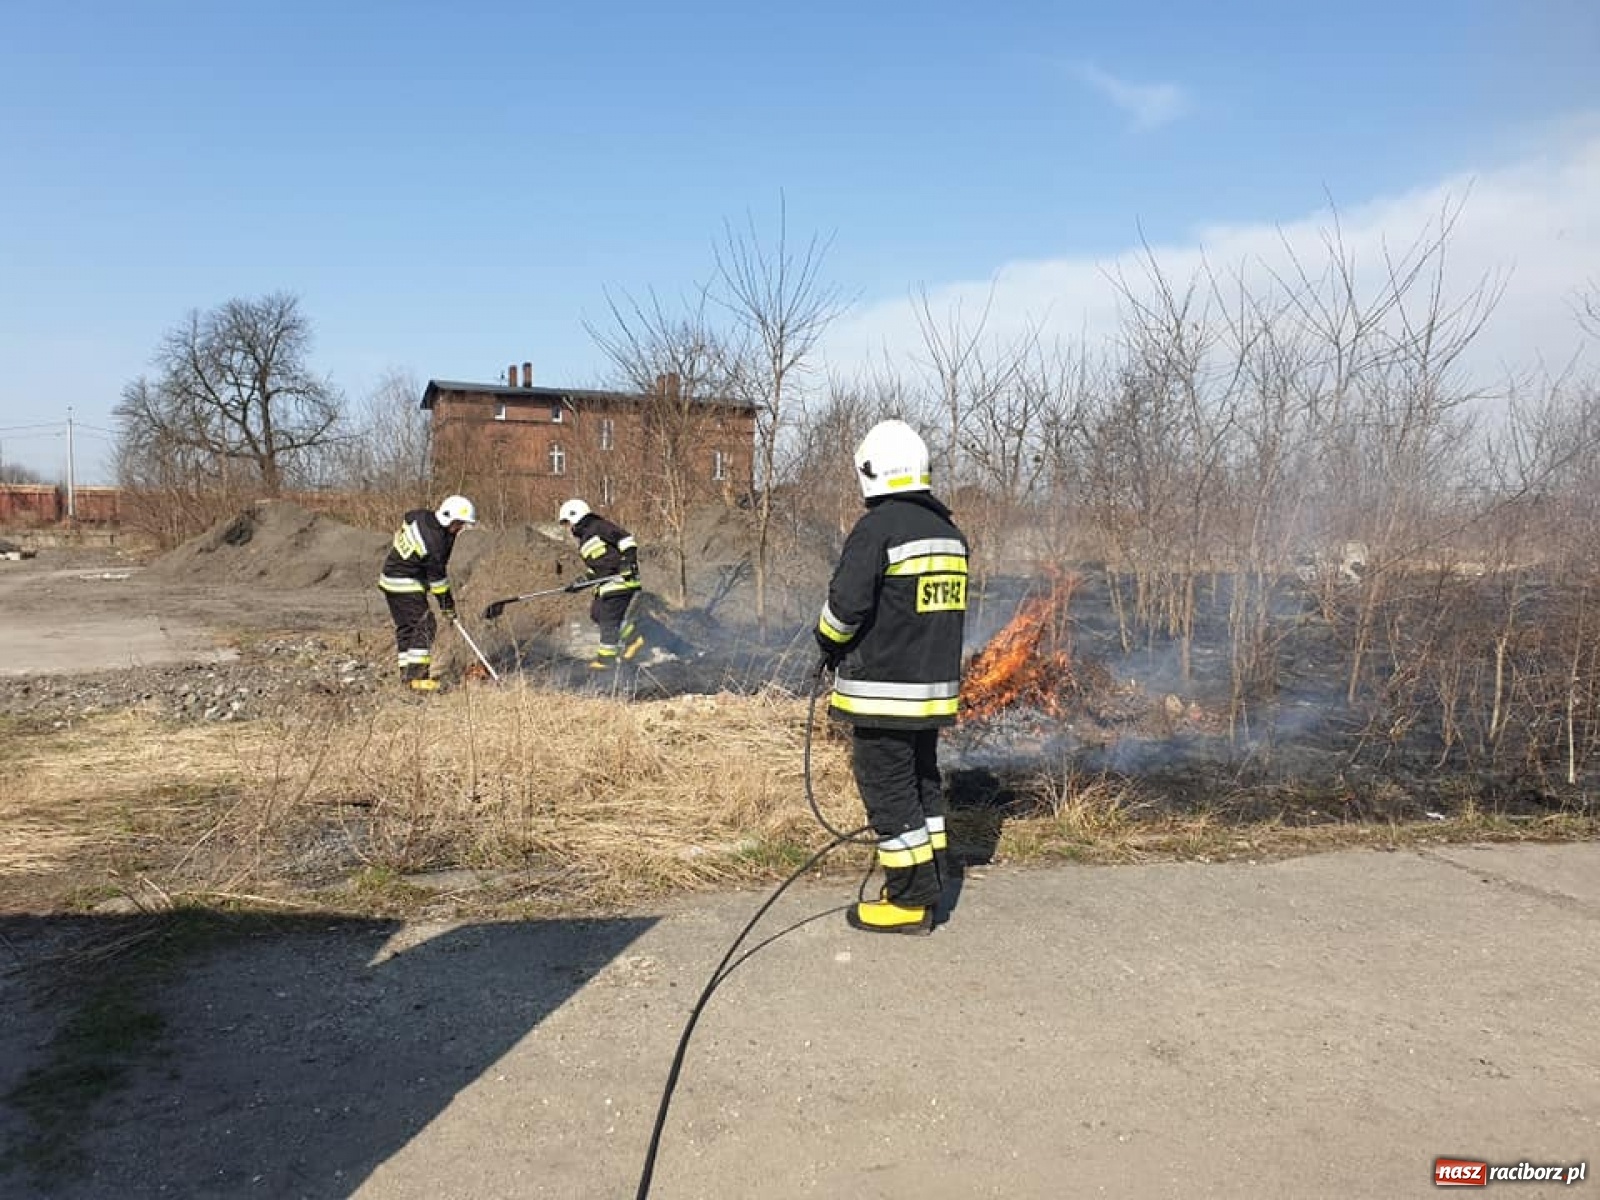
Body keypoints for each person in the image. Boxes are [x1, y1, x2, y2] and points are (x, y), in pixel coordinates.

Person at [815, 419, 969, 935]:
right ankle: (931, 876)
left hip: (884, 689)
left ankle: (909, 901)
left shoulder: (879, 529)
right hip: (931, 693)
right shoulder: (949, 533)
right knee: (922, 780)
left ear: (873, 472)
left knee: (887, 785)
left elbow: (845, 606)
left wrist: (826, 644)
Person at [377, 495, 477, 692]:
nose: (460, 529)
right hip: (404, 582)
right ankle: (417, 678)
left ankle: (407, 677)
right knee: (425, 624)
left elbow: (407, 517)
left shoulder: (422, 517)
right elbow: (438, 581)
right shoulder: (435, 543)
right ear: (449, 518)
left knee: (407, 628)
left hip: (389, 579)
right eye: (459, 524)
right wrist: (447, 606)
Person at [558, 498, 644, 668]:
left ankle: (606, 661)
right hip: (606, 584)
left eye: (568, 522)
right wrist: (580, 583)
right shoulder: (584, 541)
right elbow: (598, 569)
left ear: (575, 516)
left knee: (608, 619)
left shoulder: (599, 527)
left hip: (621, 581)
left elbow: (626, 539)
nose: (568, 528)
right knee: (596, 614)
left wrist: (628, 561)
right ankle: (634, 639)